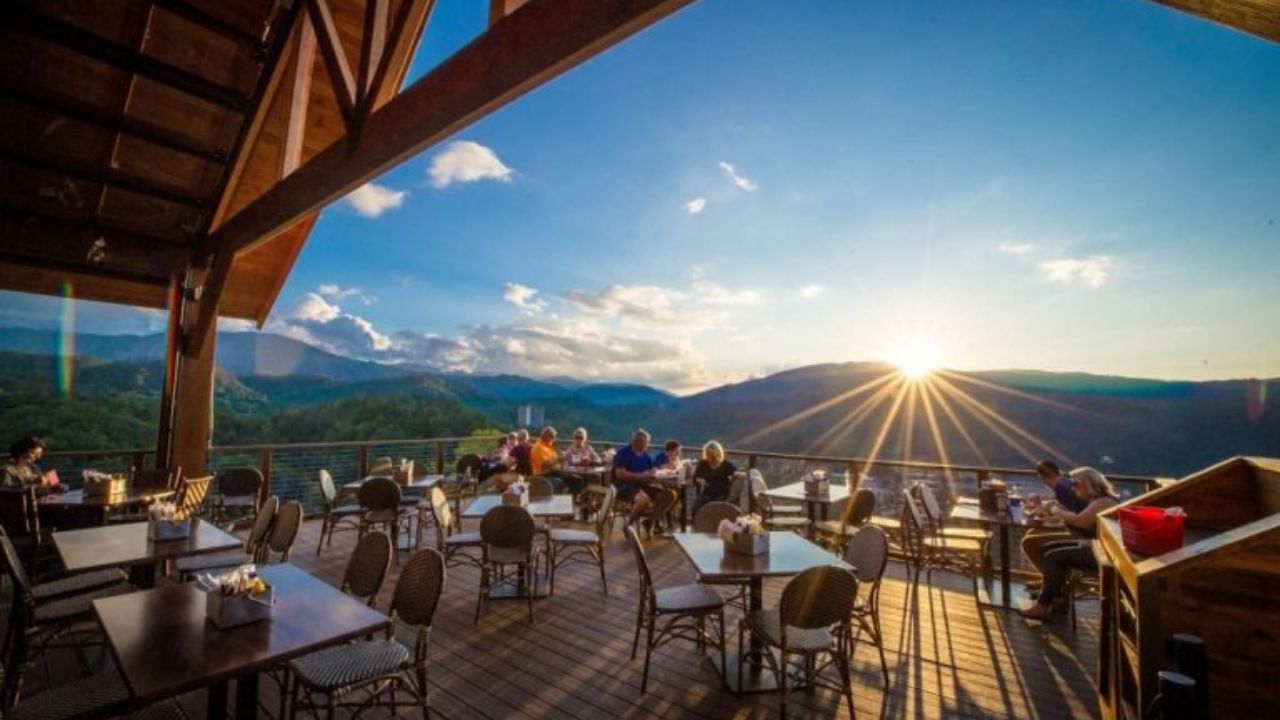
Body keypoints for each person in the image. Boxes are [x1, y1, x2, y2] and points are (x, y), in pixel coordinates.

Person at [1018, 467, 1120, 621]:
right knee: (1048, 549)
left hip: (1107, 553)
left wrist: (1054, 509)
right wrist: (1057, 509)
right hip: (1097, 545)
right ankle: (1056, 593)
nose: (1072, 488)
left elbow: (1080, 521)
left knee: (1053, 556)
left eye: (1075, 484)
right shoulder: (1097, 500)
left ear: (1087, 483)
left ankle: (1043, 605)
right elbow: (1078, 518)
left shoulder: (1104, 502)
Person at [1021, 460, 1088, 575]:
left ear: (1042, 477)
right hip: (1079, 528)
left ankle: (1051, 579)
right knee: (1033, 531)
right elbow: (1066, 508)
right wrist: (1047, 508)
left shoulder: (1061, 488)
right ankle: (1052, 576)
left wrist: (1048, 516)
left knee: (1028, 542)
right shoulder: (1065, 482)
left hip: (1079, 533)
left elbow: (1071, 515)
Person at [612, 429, 677, 535]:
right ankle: (629, 524)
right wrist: (641, 475)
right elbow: (620, 474)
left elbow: (650, 471)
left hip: (643, 485)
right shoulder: (623, 453)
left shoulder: (645, 456)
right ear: (637, 441)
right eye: (646, 442)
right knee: (643, 499)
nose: (648, 445)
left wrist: (655, 473)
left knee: (670, 495)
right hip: (624, 487)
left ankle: (650, 521)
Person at [691, 440, 737, 513]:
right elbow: (696, 477)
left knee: (715, 509)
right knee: (695, 507)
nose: (710, 458)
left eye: (712, 456)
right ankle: (698, 523)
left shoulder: (726, 465)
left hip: (721, 494)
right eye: (708, 455)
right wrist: (699, 480)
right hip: (707, 494)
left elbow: (736, 474)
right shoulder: (703, 464)